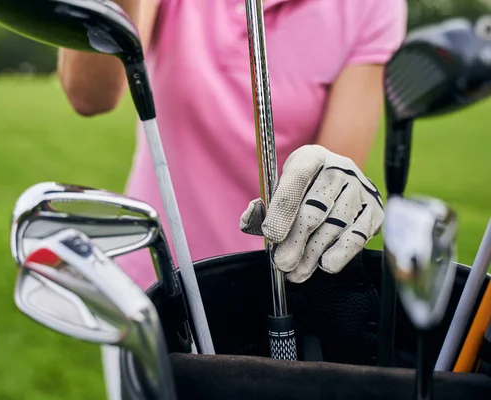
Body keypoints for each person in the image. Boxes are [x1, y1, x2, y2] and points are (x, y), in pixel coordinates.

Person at [58, 0, 407, 398]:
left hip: (277, 288)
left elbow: (325, 181)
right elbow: (89, 96)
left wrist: (330, 179)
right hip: (155, 292)